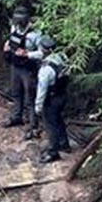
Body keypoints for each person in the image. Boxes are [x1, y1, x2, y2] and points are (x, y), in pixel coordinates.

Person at [2, 6, 41, 133]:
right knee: (16, 92)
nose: (17, 23)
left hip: (28, 68)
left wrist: (27, 54)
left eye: (20, 20)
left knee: (30, 96)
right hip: (15, 65)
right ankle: (16, 116)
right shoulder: (14, 27)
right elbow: (12, 39)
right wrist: (7, 45)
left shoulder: (35, 33)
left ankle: (33, 123)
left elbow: (43, 53)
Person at [33, 35, 70, 163]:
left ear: (43, 50)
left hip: (51, 99)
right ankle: (64, 143)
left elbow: (42, 89)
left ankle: (53, 151)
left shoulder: (46, 69)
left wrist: (38, 106)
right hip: (62, 95)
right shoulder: (62, 58)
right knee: (58, 120)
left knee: (50, 125)